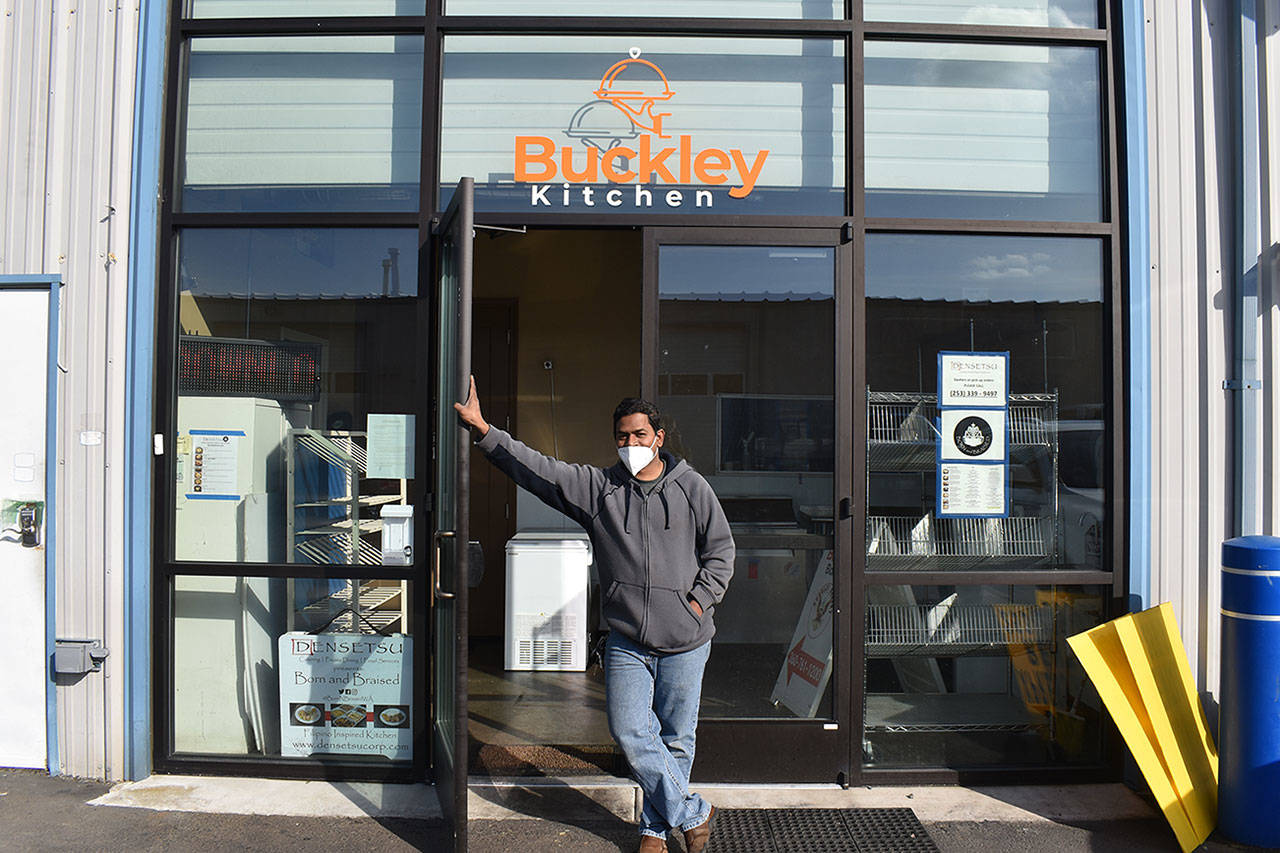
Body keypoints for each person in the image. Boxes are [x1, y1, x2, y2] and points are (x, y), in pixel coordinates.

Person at [454, 377, 734, 853]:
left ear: (658, 437)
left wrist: (697, 601)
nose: (631, 444)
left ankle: (653, 829)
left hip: (687, 637)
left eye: (639, 435)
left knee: (676, 739)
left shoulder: (692, 487)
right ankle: (691, 811)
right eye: (622, 436)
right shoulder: (599, 489)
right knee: (628, 730)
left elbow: (721, 550)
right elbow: (537, 468)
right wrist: (484, 430)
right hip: (626, 638)